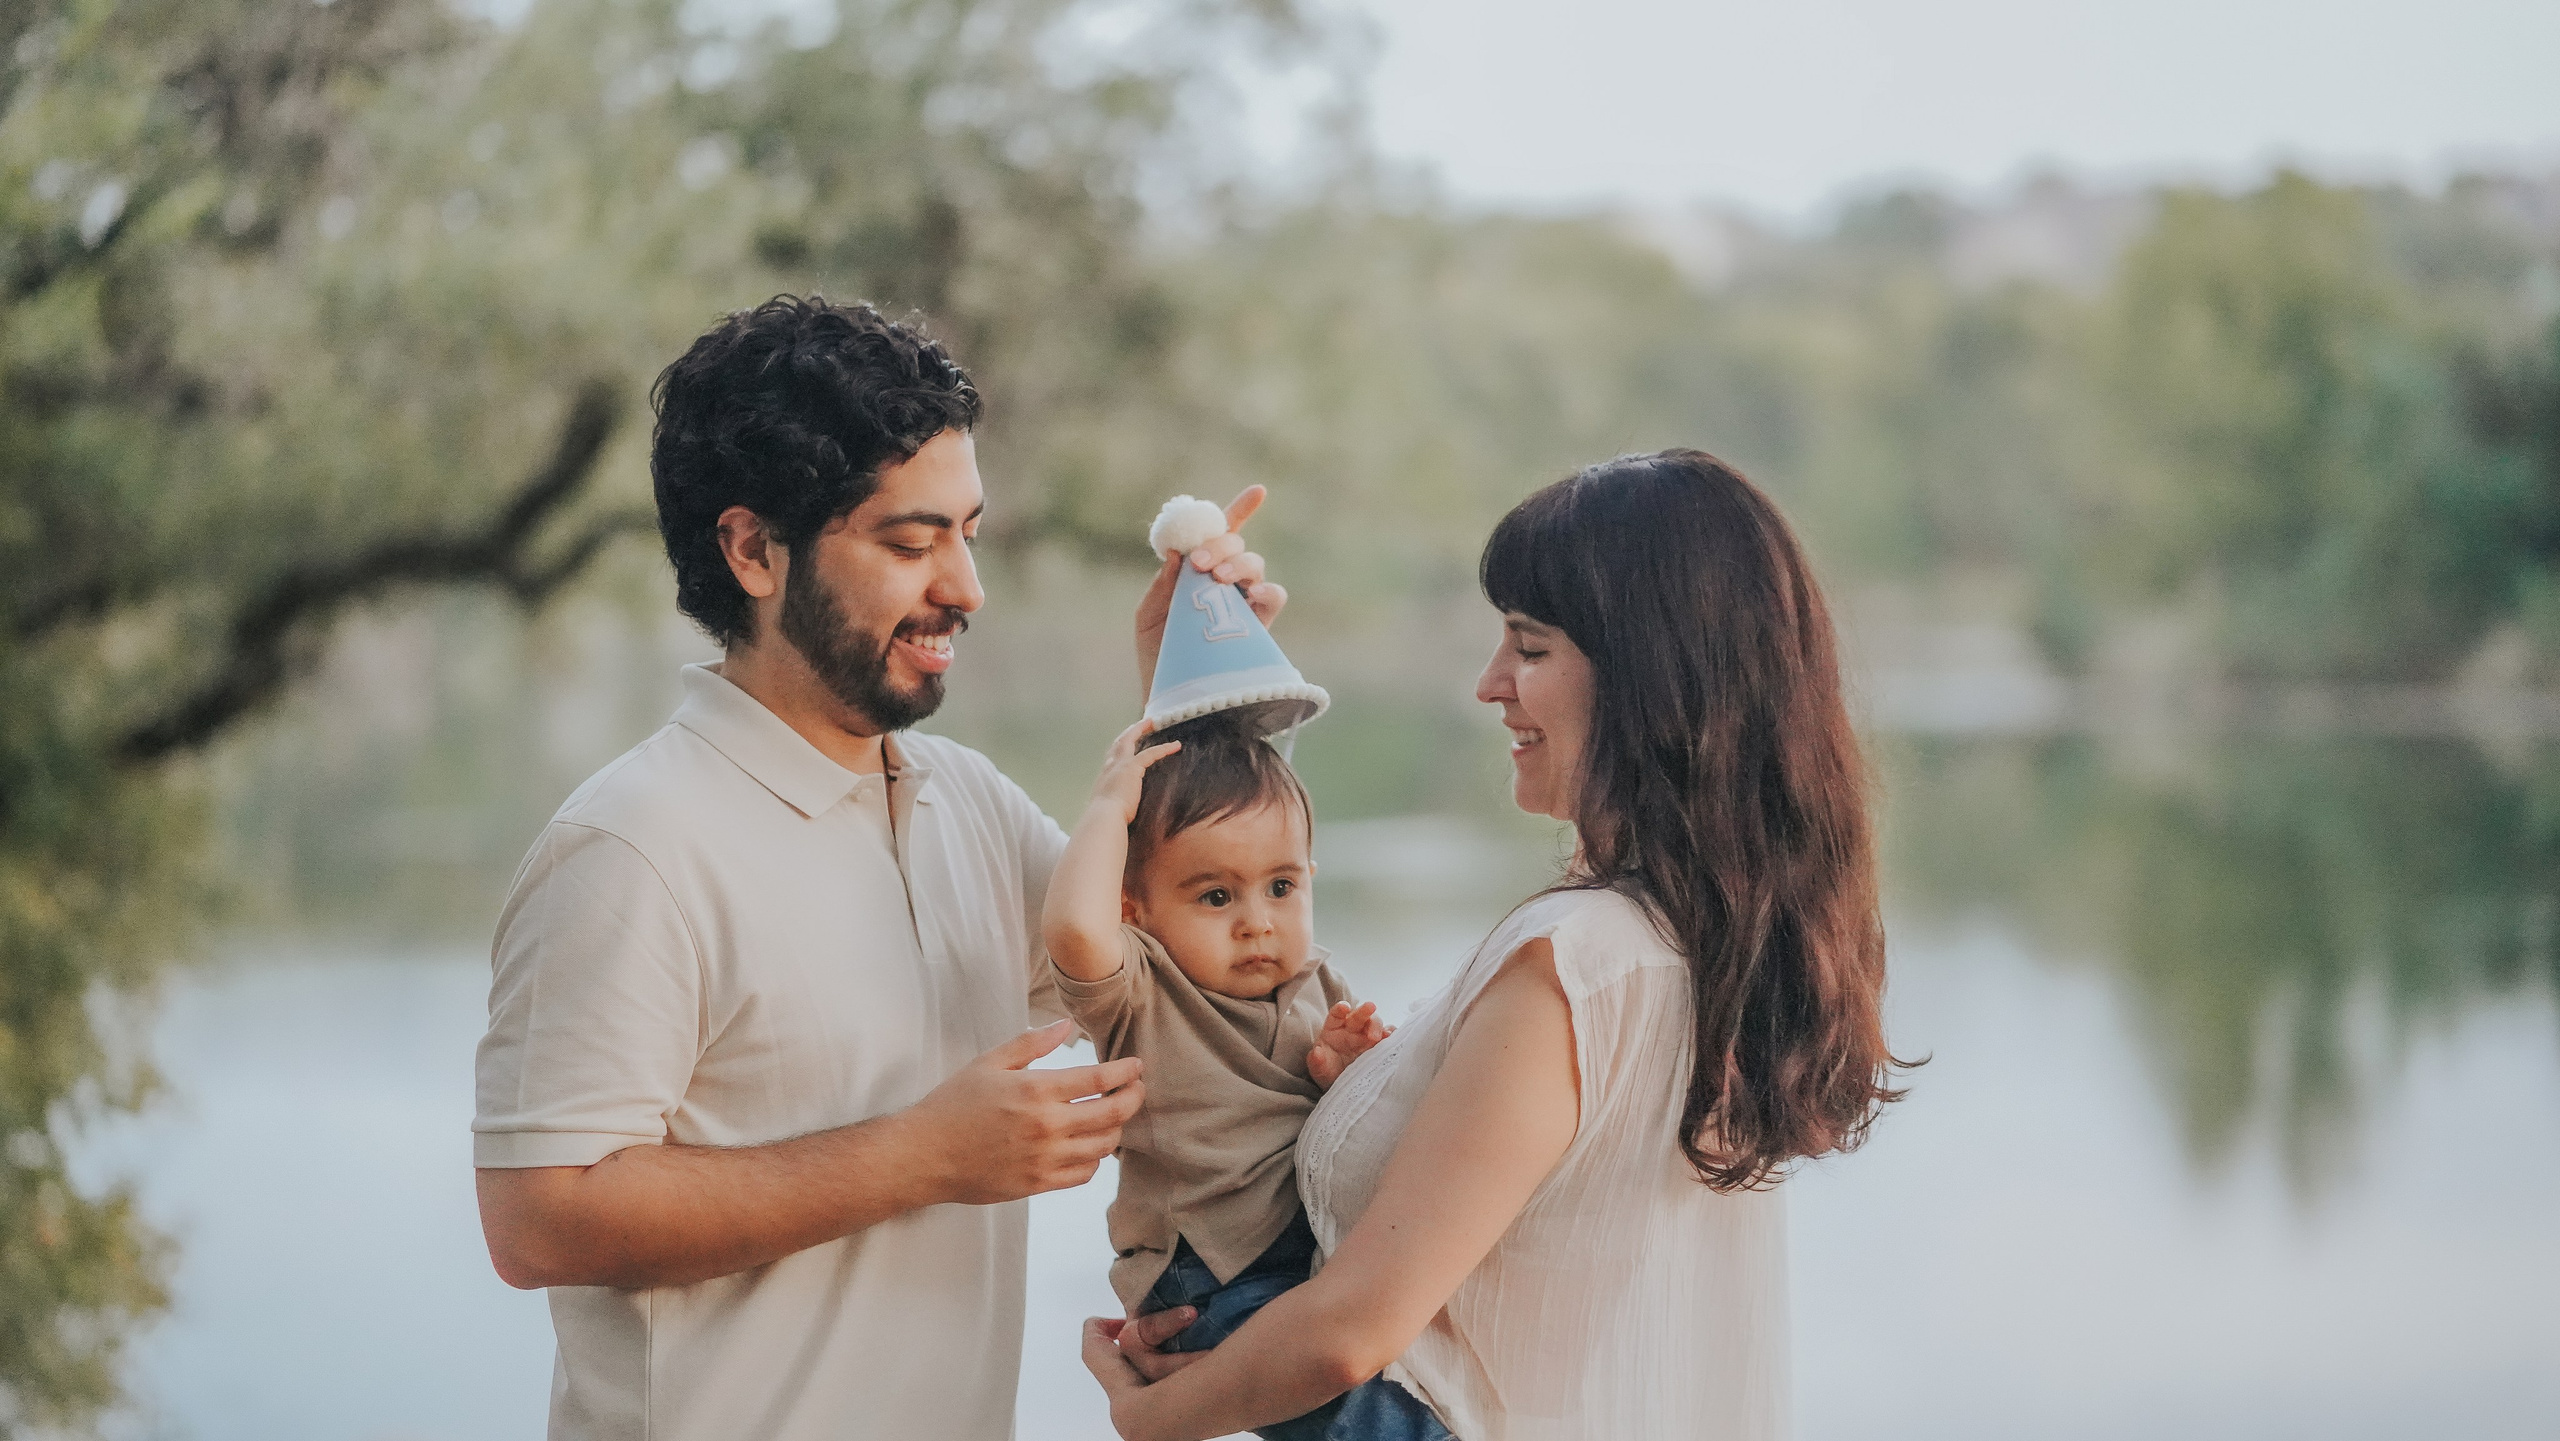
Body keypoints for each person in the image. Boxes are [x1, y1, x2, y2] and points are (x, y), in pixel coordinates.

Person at [469, 295, 1284, 1441]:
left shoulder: (971, 802)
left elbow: (1199, 982)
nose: (965, 586)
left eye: (967, 533)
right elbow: (539, 1221)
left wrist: (1195, 702)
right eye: (911, 543)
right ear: (753, 550)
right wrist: (922, 1157)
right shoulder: (630, 848)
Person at [1081, 449, 1910, 1441]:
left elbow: (1349, 1332)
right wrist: (1188, 691)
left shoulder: (1574, 965)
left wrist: (1152, 1415)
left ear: (1649, 679)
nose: (1489, 683)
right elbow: (1195, 921)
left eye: (1530, 647)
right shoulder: (1708, 943)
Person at [1041, 709, 1435, 1440]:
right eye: (1216, 896)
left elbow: (1356, 1129)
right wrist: (1105, 811)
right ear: (1135, 908)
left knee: (1407, 1362)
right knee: (1357, 1416)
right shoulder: (1143, 988)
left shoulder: (1319, 982)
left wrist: (1344, 1075)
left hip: (1311, 1251)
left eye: (1281, 886)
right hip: (1210, 1272)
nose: (1257, 921)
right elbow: (1073, 929)